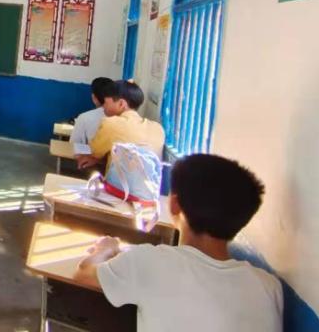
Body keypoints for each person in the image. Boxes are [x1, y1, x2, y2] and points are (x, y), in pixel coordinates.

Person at [74, 154, 282, 331]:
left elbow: (84, 274)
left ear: (174, 203)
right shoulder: (268, 287)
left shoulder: (150, 262)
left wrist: (106, 248)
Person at [77, 80, 165, 170]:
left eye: (106, 102)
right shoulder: (158, 128)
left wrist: (96, 159)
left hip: (118, 179)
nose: (103, 107)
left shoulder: (111, 123)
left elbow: (94, 151)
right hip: (151, 178)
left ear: (121, 104)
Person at [70, 77, 116, 146]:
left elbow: (73, 145)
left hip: (92, 152)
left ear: (94, 97)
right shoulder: (125, 117)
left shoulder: (84, 118)